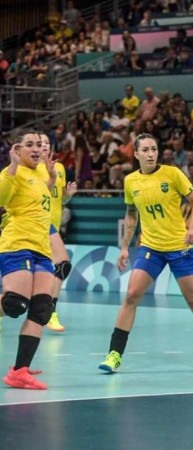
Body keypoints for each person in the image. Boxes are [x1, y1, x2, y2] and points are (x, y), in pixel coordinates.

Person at [98, 134, 193, 373]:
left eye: (154, 149)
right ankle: (114, 355)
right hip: (151, 248)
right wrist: (125, 247)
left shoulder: (172, 174)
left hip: (179, 248)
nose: (151, 154)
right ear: (136, 154)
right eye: (145, 150)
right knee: (132, 296)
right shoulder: (130, 181)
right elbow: (131, 214)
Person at [0, 130, 57, 389]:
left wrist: (54, 178)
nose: (36, 149)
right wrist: (12, 165)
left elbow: (41, 200)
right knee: (15, 304)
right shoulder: (11, 173)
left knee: (42, 309)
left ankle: (19, 371)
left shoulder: (42, 173)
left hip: (42, 248)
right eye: (29, 145)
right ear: (18, 150)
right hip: (17, 244)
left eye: (39, 145)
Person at [37, 133, 77, 332]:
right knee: (26, 275)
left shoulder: (60, 168)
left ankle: (50, 312)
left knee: (62, 266)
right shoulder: (32, 168)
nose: (43, 146)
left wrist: (67, 196)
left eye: (46, 143)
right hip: (35, 223)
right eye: (39, 143)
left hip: (52, 226)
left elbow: (59, 200)